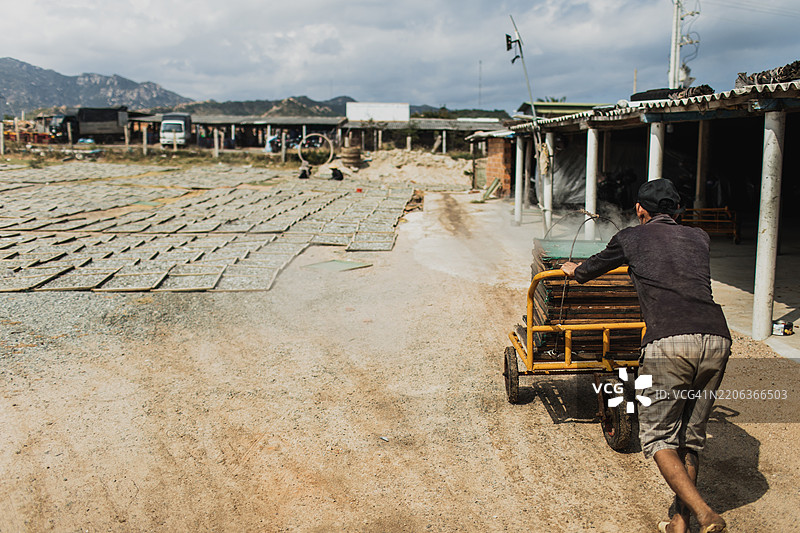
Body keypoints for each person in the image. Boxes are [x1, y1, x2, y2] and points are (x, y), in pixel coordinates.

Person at [561, 179, 730, 533]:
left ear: (640, 209)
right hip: (717, 338)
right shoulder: (700, 237)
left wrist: (573, 270)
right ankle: (678, 522)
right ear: (678, 210)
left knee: (658, 438)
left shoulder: (631, 237)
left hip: (670, 341)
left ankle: (705, 512)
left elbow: (590, 271)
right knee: (689, 437)